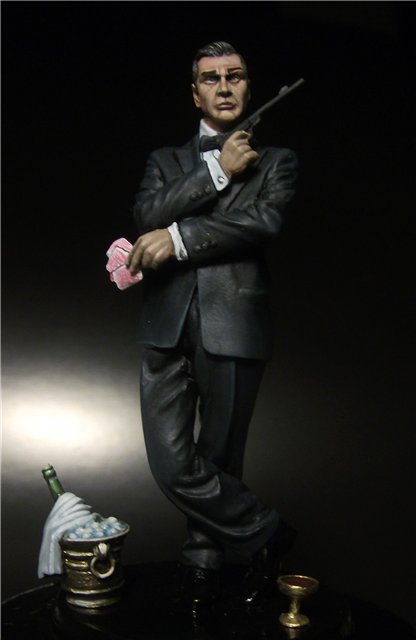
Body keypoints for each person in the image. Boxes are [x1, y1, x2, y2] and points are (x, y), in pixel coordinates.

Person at [126, 41, 298, 608]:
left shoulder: (278, 160)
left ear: (248, 86)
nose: (224, 86)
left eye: (235, 75)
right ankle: (266, 531)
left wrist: (178, 239)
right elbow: (147, 214)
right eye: (211, 78)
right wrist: (217, 170)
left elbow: (262, 221)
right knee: (172, 461)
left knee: (220, 454)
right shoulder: (164, 160)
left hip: (234, 322)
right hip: (165, 324)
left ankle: (201, 565)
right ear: (195, 93)